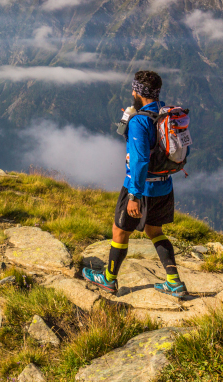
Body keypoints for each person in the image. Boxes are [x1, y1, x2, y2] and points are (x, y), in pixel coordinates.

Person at [82, 71, 188, 297]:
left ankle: (108, 280)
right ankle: (174, 283)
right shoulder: (168, 116)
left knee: (120, 232)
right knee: (155, 231)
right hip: (164, 186)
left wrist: (134, 196)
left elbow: (140, 160)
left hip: (141, 188)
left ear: (140, 93)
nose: (131, 93)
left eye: (134, 89)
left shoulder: (140, 121)